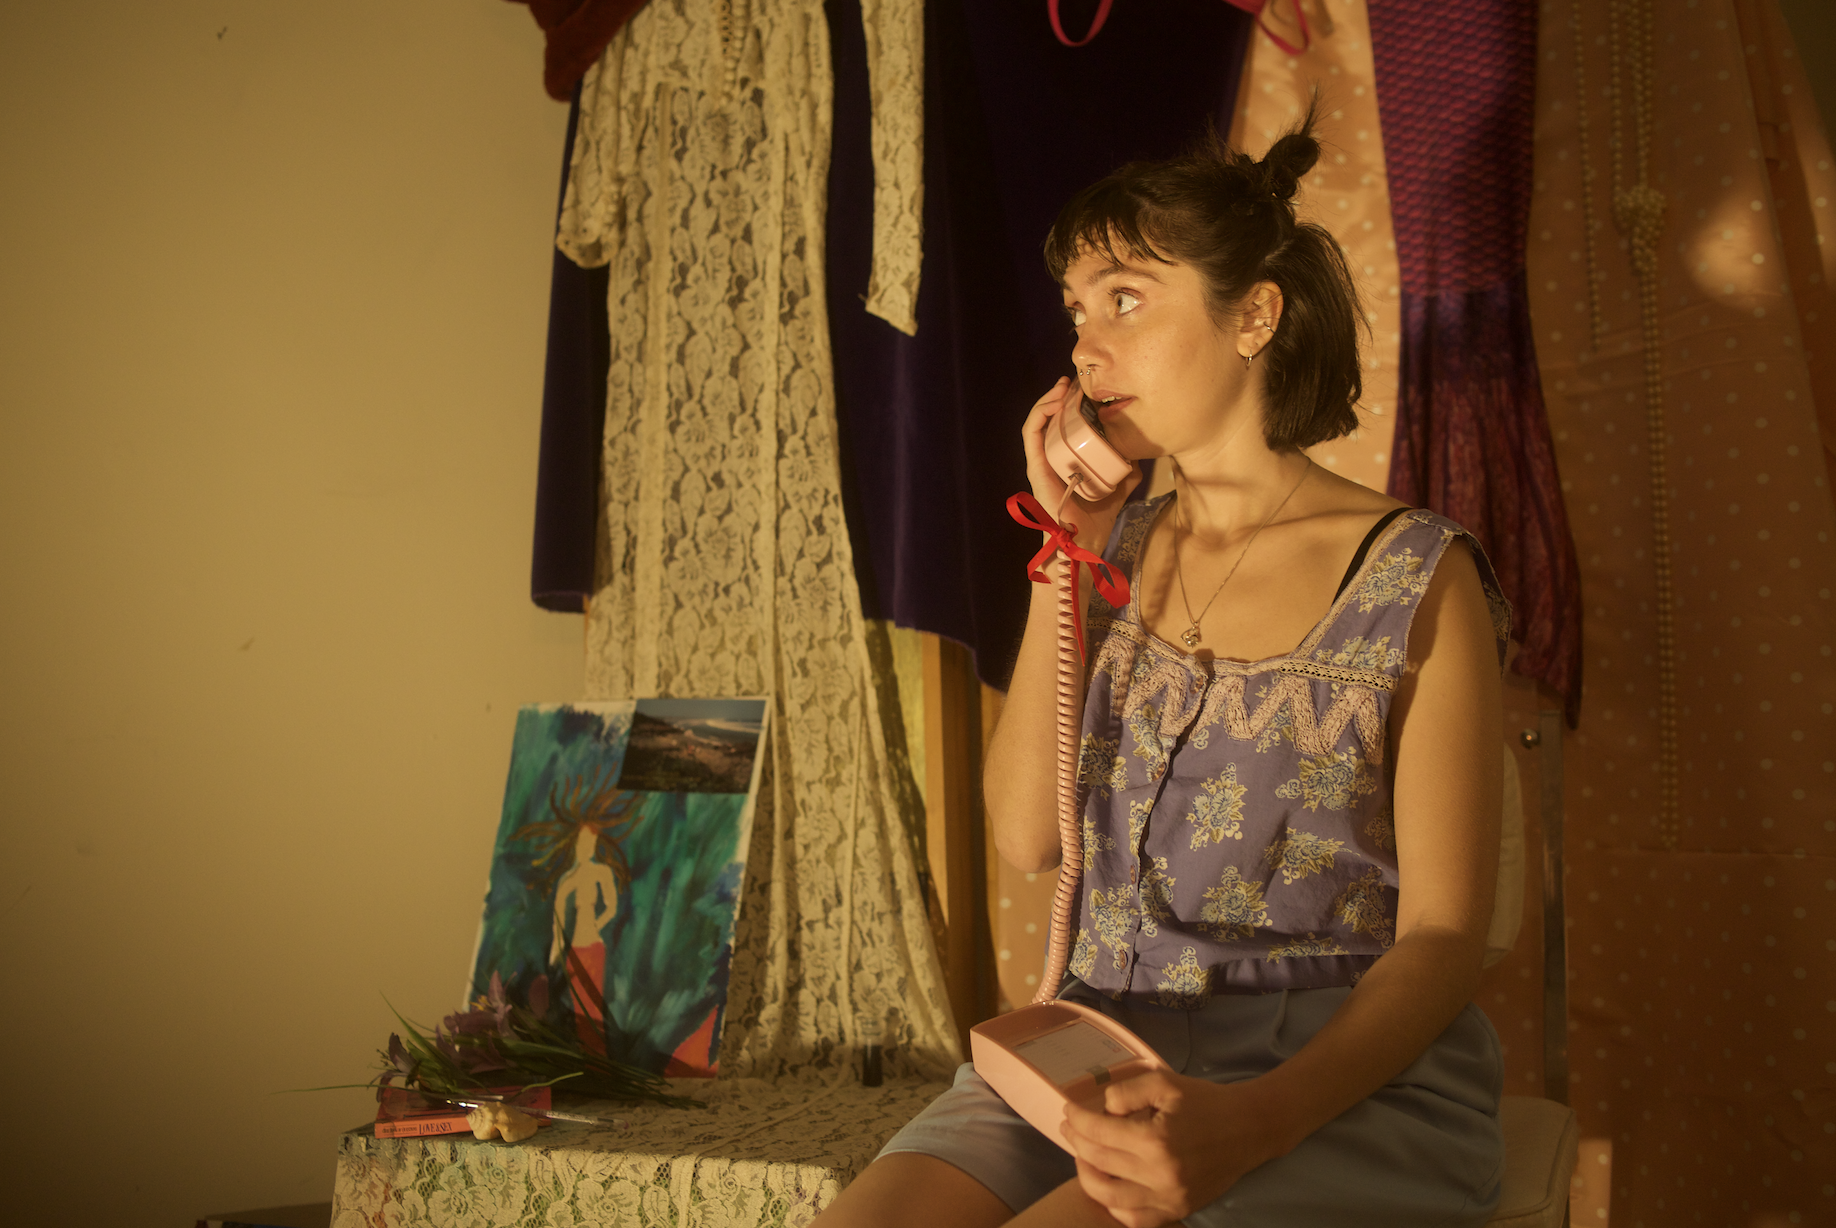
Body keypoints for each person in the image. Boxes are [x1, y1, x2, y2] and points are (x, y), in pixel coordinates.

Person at [812, 110, 1510, 1228]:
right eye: (1077, 313)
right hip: (1101, 1040)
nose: (1086, 351)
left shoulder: (1417, 574)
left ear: (1255, 317)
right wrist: (1067, 553)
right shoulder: (1117, 551)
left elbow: (1442, 939)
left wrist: (1256, 1122)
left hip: (1331, 1074)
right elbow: (1027, 837)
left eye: (1125, 299)